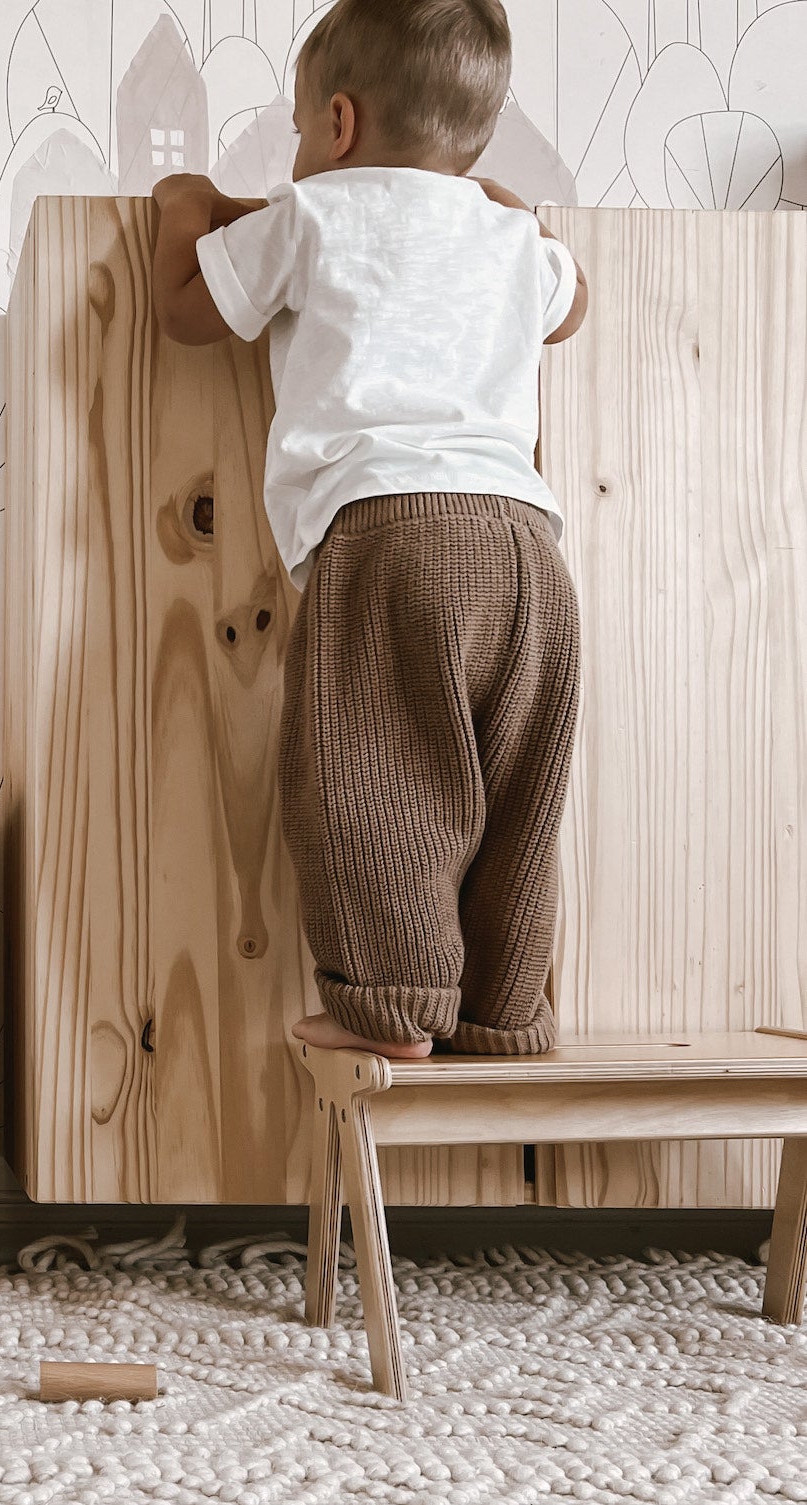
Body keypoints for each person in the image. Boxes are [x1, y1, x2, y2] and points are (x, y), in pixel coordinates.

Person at [151, 0, 586, 1059]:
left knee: (371, 782)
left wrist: (184, 202)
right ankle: (503, 1010)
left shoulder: (314, 212)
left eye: (302, 129)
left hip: (391, 536)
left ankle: (394, 1007)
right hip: (530, 551)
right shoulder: (503, 233)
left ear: (337, 124)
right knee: (516, 793)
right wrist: (518, 214)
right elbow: (572, 306)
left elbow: (183, 309)